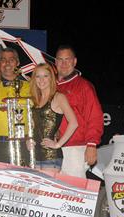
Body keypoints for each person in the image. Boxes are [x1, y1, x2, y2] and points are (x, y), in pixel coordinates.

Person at [55, 44, 104, 178]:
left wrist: (92, 145)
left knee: (74, 192)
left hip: (74, 148)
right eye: (60, 59)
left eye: (68, 59)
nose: (64, 63)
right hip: (51, 147)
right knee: (53, 193)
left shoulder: (84, 86)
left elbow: (95, 117)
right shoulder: (49, 84)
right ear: (55, 62)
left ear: (74, 61)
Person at [28, 63, 78, 178]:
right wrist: (28, 140)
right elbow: (33, 126)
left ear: (51, 78)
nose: (41, 80)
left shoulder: (58, 97)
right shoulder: (35, 100)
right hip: (35, 155)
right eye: (38, 76)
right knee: (36, 193)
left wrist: (58, 144)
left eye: (45, 76)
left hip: (51, 157)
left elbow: (74, 123)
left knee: (46, 193)